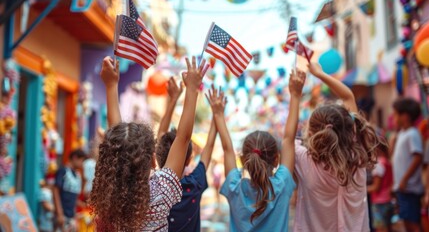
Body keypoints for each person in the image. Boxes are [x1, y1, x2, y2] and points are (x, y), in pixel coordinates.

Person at [89, 56, 208, 231]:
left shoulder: (109, 198)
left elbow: (119, 145)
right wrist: (192, 89)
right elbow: (182, 138)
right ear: (153, 160)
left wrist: (111, 86)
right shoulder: (160, 192)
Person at [211, 69, 305, 231]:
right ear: (276, 159)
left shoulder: (235, 188)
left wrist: (218, 114)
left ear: (242, 160)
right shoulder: (281, 185)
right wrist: (295, 95)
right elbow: (289, 139)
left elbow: (227, 149)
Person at [293, 63, 383, 232]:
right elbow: (348, 97)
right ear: (350, 129)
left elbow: (287, 138)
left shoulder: (304, 159)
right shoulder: (358, 155)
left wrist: (295, 95)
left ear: (311, 132)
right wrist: (320, 74)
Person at [155, 84, 219, 232]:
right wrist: (217, 115)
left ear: (157, 157)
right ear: (189, 160)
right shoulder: (194, 184)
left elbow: (161, 134)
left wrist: (173, 100)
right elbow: (208, 147)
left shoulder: (155, 186)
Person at [391, 97, 423, 232]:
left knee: (412, 223)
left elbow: (417, 157)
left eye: (396, 114)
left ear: (405, 116)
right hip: (403, 188)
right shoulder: (402, 133)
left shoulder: (412, 134)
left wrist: (404, 179)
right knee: (406, 221)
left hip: (409, 188)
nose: (394, 117)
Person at [53, 149, 86, 232]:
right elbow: (56, 191)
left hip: (71, 217)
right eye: (81, 160)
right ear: (75, 158)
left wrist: (75, 216)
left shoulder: (78, 176)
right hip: (62, 216)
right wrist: (59, 214)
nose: (82, 164)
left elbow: (74, 198)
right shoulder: (63, 171)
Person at [367, 140, 394, 232]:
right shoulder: (387, 162)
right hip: (388, 200)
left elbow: (376, 187)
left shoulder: (379, 165)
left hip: (379, 203)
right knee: (388, 227)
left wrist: (361, 190)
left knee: (381, 229)